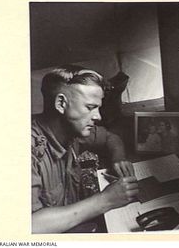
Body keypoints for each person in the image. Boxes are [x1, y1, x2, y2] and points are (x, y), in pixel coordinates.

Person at [31, 64, 138, 233]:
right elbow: (29, 225)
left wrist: (119, 158)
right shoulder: (24, 149)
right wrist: (106, 200)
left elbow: (111, 138)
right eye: (90, 107)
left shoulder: (71, 129)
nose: (98, 116)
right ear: (61, 103)